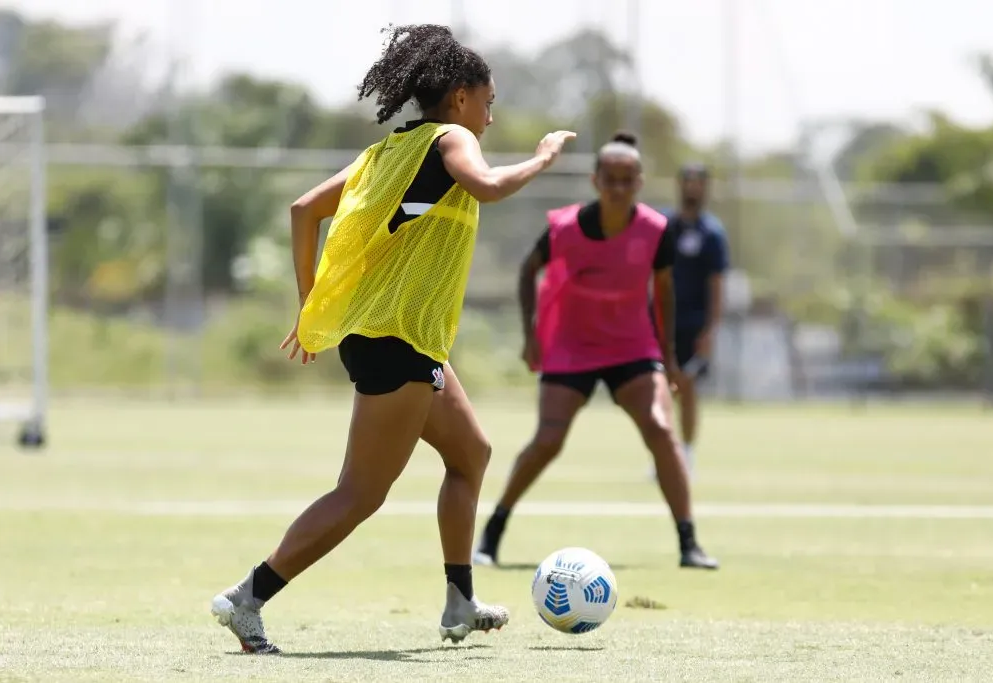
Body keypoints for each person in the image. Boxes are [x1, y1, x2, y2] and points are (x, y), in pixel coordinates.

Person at [208, 24, 576, 654]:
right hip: (397, 341)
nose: (490, 118)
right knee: (361, 493)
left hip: (400, 337)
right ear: (459, 97)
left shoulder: (384, 153)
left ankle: (459, 600)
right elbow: (486, 184)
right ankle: (247, 598)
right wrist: (542, 158)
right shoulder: (451, 138)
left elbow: (304, 211)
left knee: (471, 454)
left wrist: (311, 307)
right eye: (489, 102)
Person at [473, 133, 718, 571]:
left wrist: (669, 362)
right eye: (611, 179)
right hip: (572, 344)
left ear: (640, 182)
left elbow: (662, 293)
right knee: (548, 440)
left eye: (628, 180)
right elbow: (529, 270)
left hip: (631, 345)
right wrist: (531, 332)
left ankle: (689, 544)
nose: (619, 188)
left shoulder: (655, 231)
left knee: (662, 431)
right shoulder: (565, 228)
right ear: (596, 180)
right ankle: (491, 536)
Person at [664, 163, 728, 475]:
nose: (692, 188)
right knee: (659, 389)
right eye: (687, 181)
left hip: (694, 323)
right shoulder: (666, 226)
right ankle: (663, 453)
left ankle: (686, 453)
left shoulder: (712, 233)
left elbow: (716, 284)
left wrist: (711, 329)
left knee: (686, 387)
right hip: (663, 321)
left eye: (698, 182)